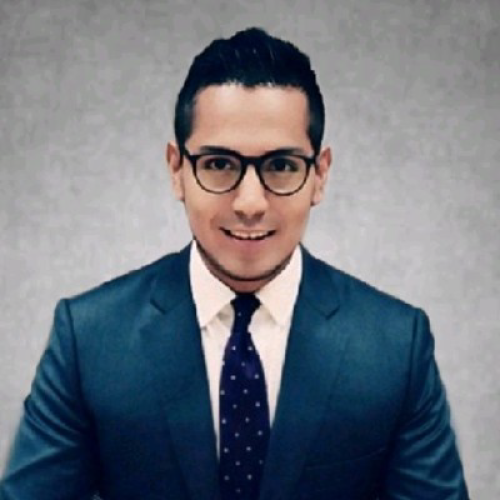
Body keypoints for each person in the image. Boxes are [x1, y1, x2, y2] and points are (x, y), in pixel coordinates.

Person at [0, 27, 469, 500]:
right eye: (220, 164)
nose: (250, 203)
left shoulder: (395, 347)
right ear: (177, 169)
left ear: (320, 175)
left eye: (281, 166)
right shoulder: (89, 340)